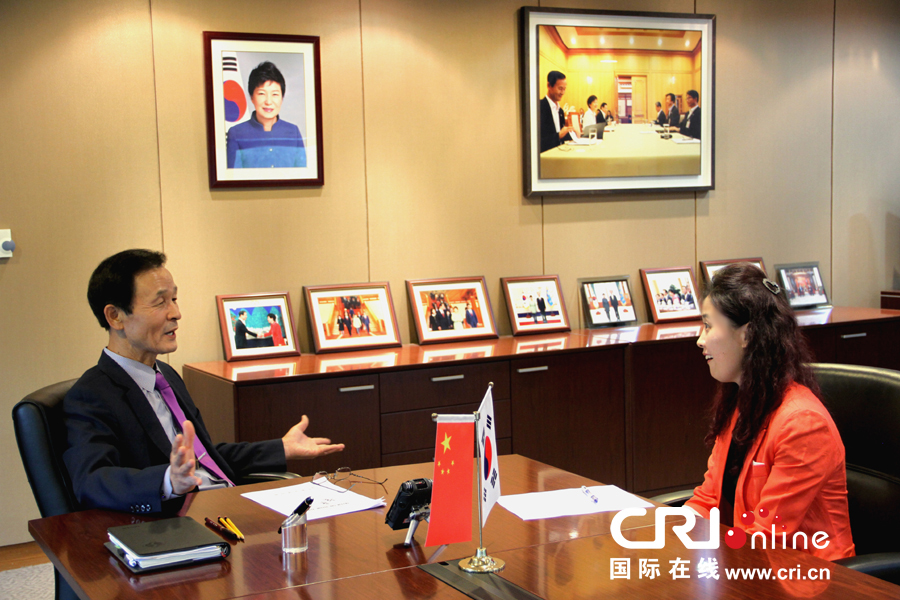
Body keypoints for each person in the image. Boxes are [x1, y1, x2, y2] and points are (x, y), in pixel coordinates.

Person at [63, 249, 344, 514]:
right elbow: (92, 481)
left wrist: (280, 448)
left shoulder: (166, 375)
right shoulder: (91, 394)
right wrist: (167, 481)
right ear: (115, 316)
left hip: (224, 504)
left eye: (174, 299)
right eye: (160, 302)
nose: (175, 313)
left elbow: (206, 456)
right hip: (179, 525)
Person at [686, 263, 854, 561]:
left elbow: (766, 537)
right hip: (752, 565)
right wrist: (663, 533)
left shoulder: (803, 423)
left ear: (746, 335)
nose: (700, 340)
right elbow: (709, 499)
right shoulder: (744, 403)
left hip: (810, 580)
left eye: (709, 326)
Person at [226, 61, 306, 169]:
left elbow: (302, 176)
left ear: (282, 98)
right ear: (251, 97)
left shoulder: (293, 132)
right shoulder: (236, 134)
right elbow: (233, 180)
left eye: (275, 94)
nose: (268, 101)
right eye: (262, 93)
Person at [539, 70, 574, 152]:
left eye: (564, 89)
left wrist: (573, 133)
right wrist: (559, 135)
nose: (563, 92)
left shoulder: (560, 111)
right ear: (549, 85)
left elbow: (560, 138)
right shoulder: (539, 108)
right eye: (560, 88)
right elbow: (538, 141)